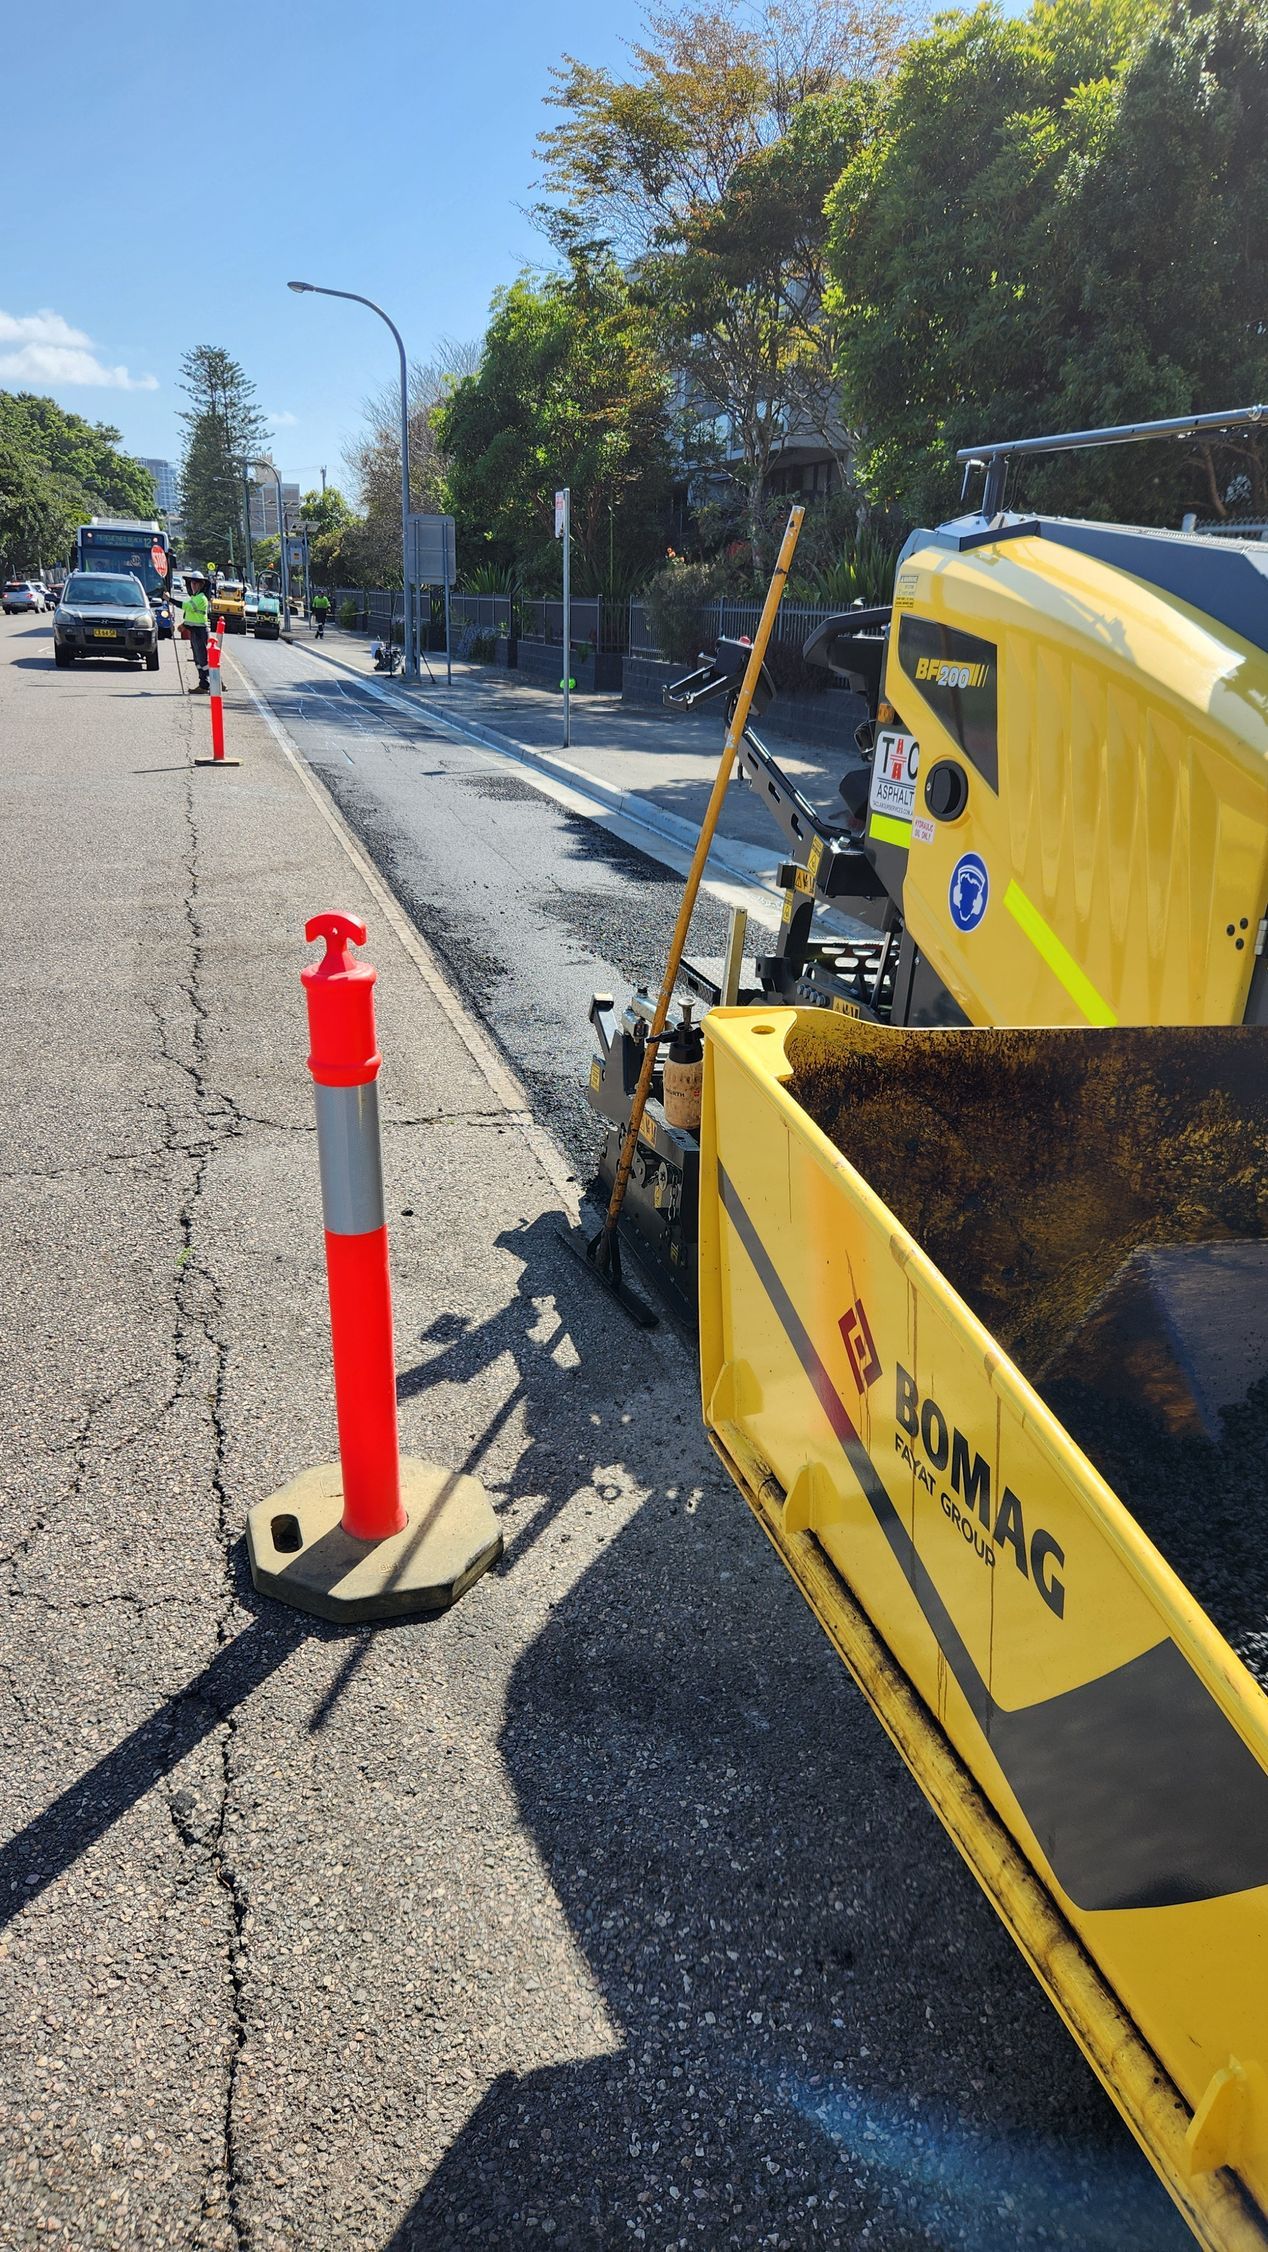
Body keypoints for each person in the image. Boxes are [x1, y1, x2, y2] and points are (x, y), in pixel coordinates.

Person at [183, 573, 211, 691]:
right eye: (191, 583)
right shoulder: (195, 597)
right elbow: (191, 615)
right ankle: (206, 683)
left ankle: (208, 684)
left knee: (203, 660)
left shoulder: (201, 598)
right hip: (194, 631)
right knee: (198, 660)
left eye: (195, 583)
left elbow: (187, 607)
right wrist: (183, 625)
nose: (192, 585)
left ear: (200, 584)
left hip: (200, 632)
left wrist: (170, 600)